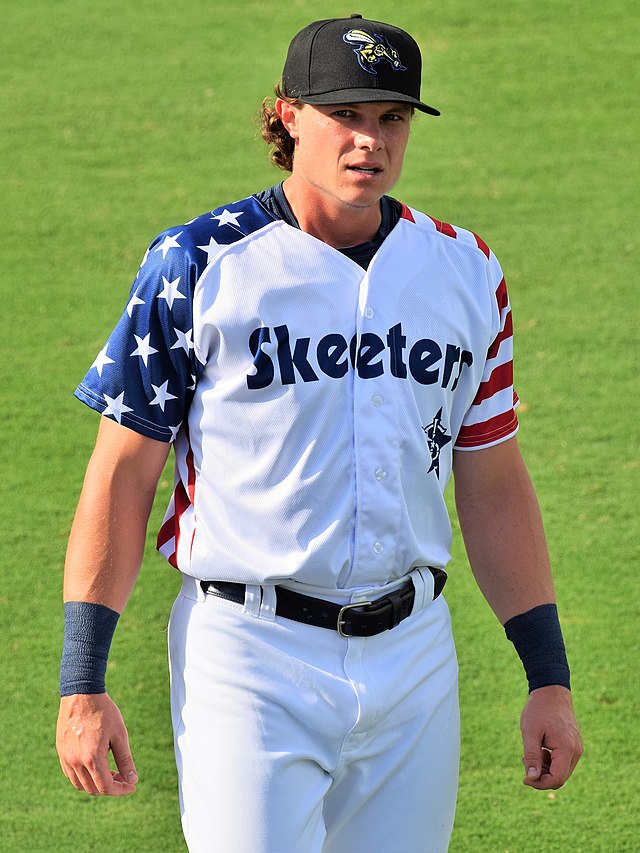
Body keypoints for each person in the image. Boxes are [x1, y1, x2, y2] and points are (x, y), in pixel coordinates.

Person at [56, 14, 582, 853]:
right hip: (249, 659)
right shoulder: (199, 263)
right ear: (288, 115)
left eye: (391, 118)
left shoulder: (465, 271)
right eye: (346, 115)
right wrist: (82, 683)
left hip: (415, 660)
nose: (368, 141)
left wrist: (547, 675)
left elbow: (493, 480)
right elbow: (123, 475)